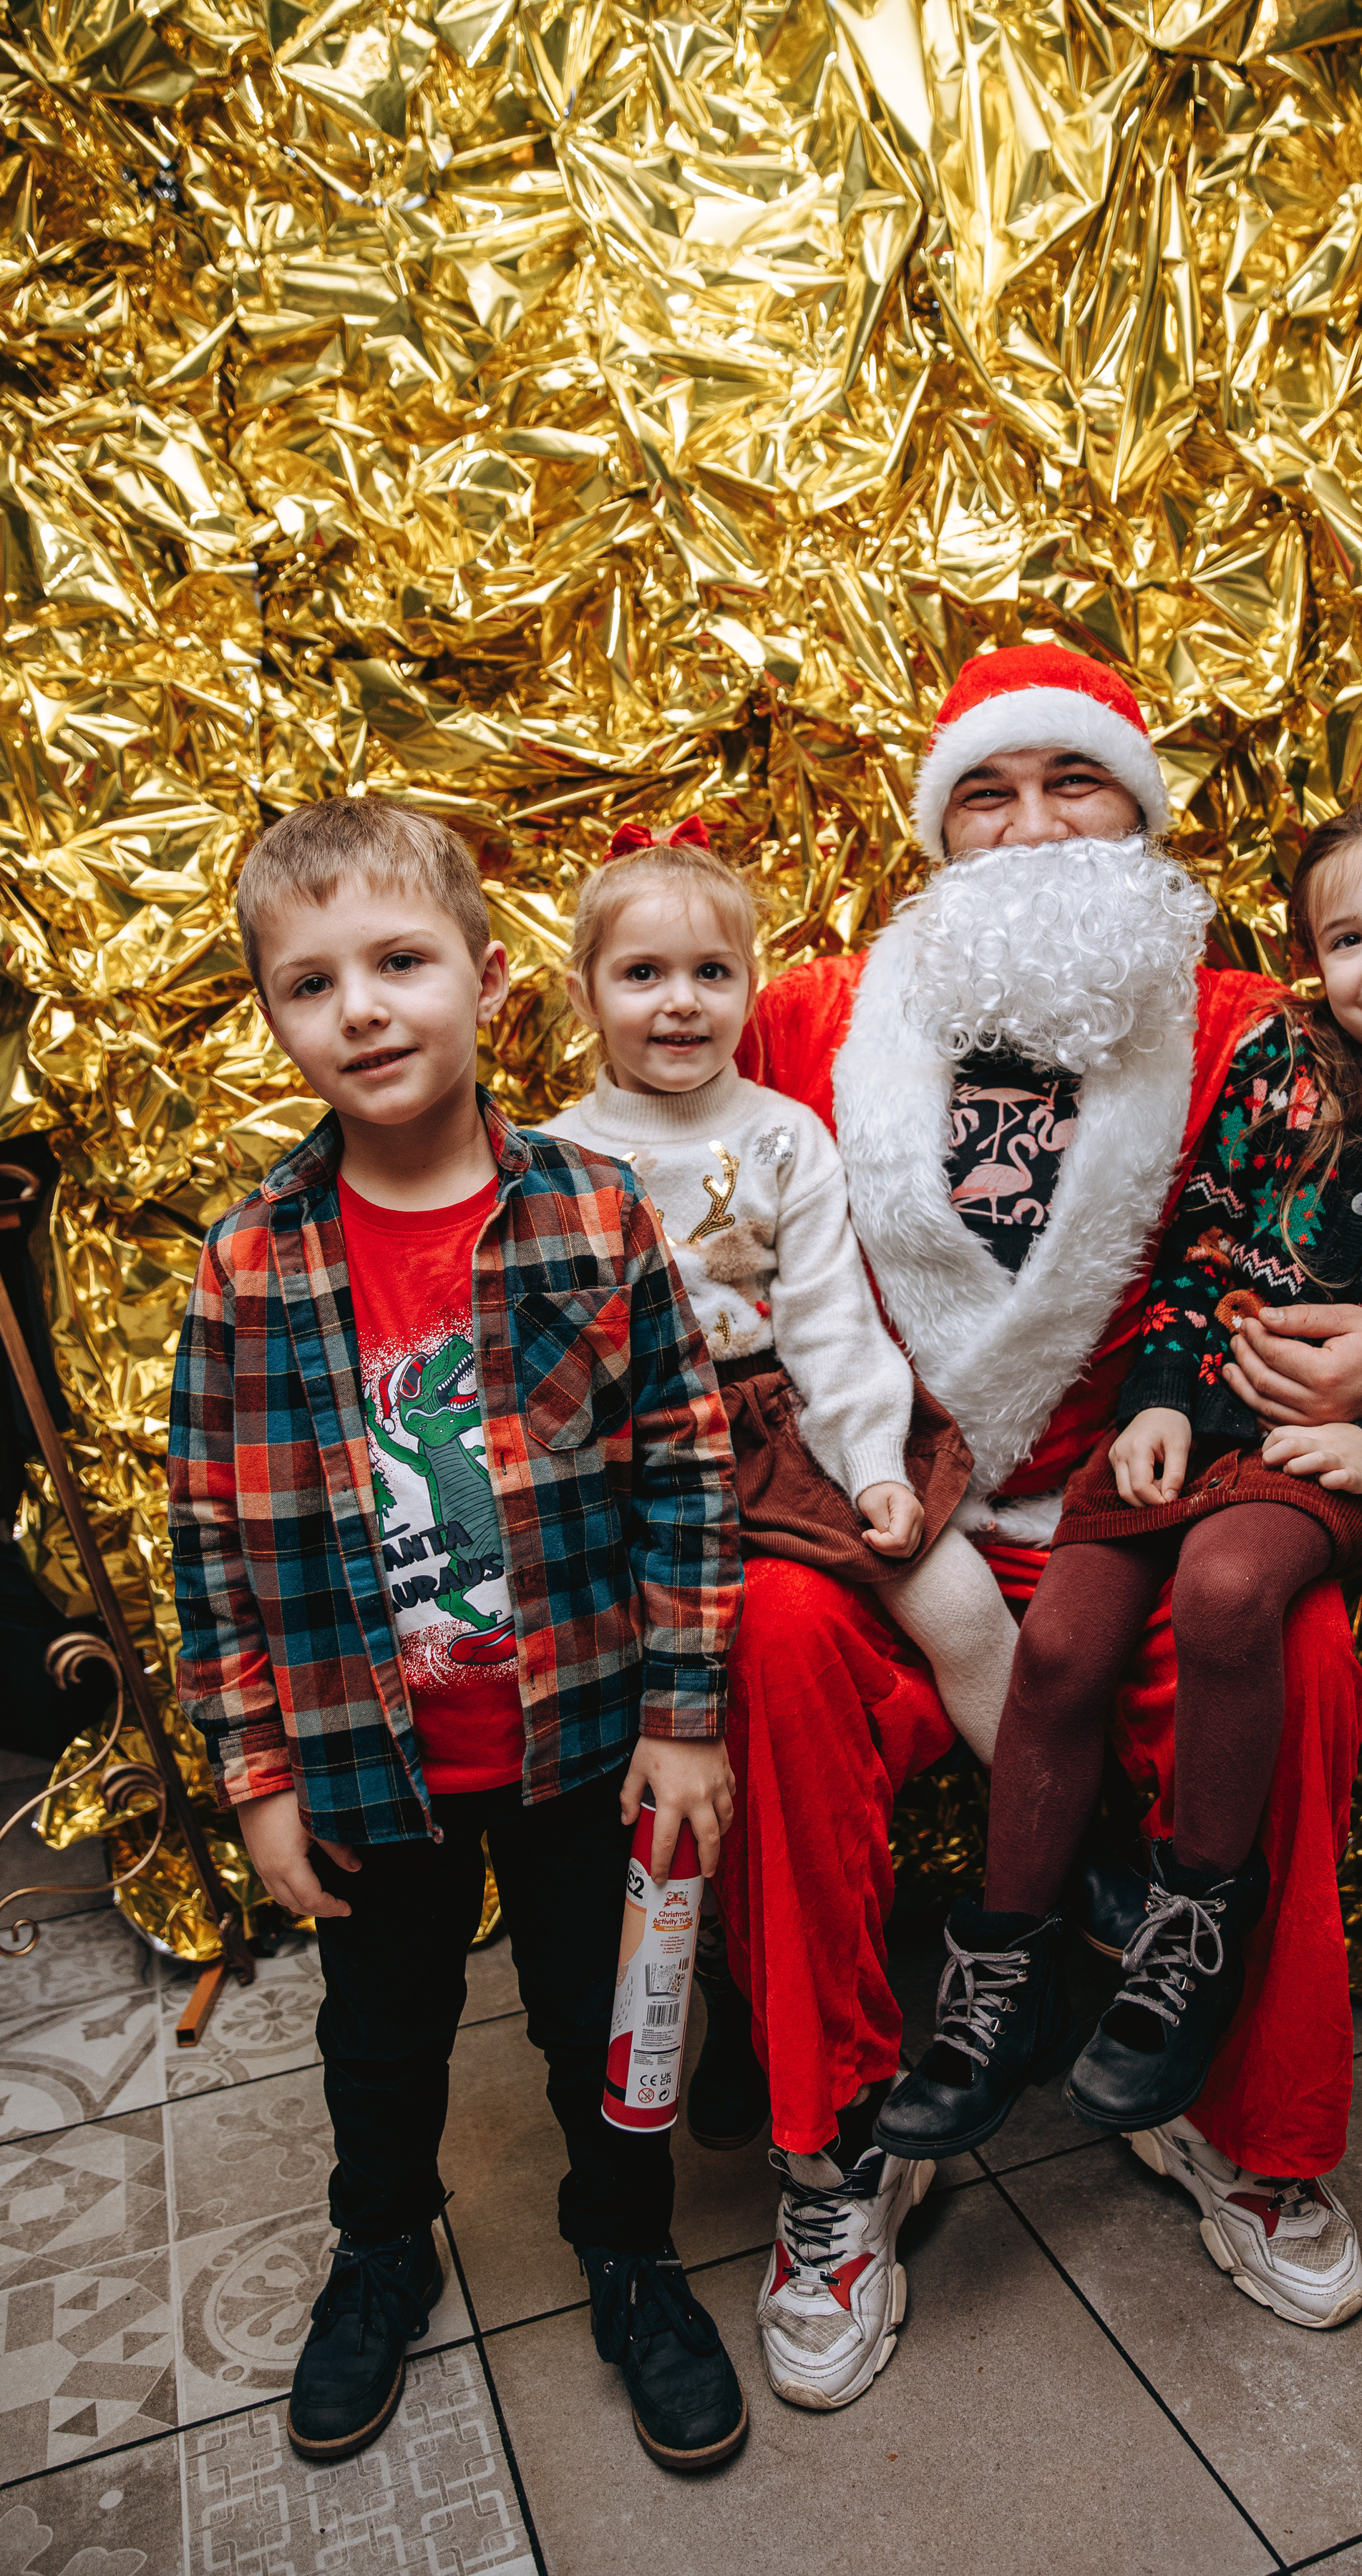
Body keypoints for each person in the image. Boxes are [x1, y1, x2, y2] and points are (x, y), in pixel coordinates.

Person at [710, 645, 1362, 2407]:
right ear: (932, 828)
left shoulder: (1247, 1027)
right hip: (885, 1521)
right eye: (988, 789)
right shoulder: (806, 1016)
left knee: (1285, 1650)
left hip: (1144, 1509)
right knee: (765, 1649)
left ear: (1142, 822)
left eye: (1079, 785)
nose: (1033, 824)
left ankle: (1251, 2128)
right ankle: (832, 2154)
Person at [877, 779, 1362, 2331]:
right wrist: (1152, 1399)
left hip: (1321, 1458)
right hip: (1193, 1420)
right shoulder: (1278, 1059)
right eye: (1350, 936)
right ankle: (996, 1978)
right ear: (1310, 961)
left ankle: (1190, 1928)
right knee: (1059, 1647)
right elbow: (1208, 1239)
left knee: (1228, 1594)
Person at [167, 799, 748, 2474]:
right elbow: (214, 1530)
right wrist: (256, 1768)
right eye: (309, 982)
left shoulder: (593, 1216)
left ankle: (626, 2251)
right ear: (272, 1015)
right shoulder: (250, 1261)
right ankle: (377, 2252)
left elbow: (687, 1472)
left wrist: (689, 1712)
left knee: (598, 2021)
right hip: (363, 1754)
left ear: (490, 981)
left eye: (400, 963)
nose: (359, 1009)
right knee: (379, 2036)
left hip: (579, 1740)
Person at [543, 817, 1023, 2153]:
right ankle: (740, 1998)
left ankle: (1058, 1859)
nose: (679, 1001)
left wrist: (874, 1466)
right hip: (643, 1460)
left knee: (964, 1601)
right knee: (693, 1728)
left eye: (710, 972)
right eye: (642, 974)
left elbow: (829, 1325)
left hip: (782, 1424)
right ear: (584, 993)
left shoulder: (785, 1136)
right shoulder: (552, 1159)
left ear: (750, 991)